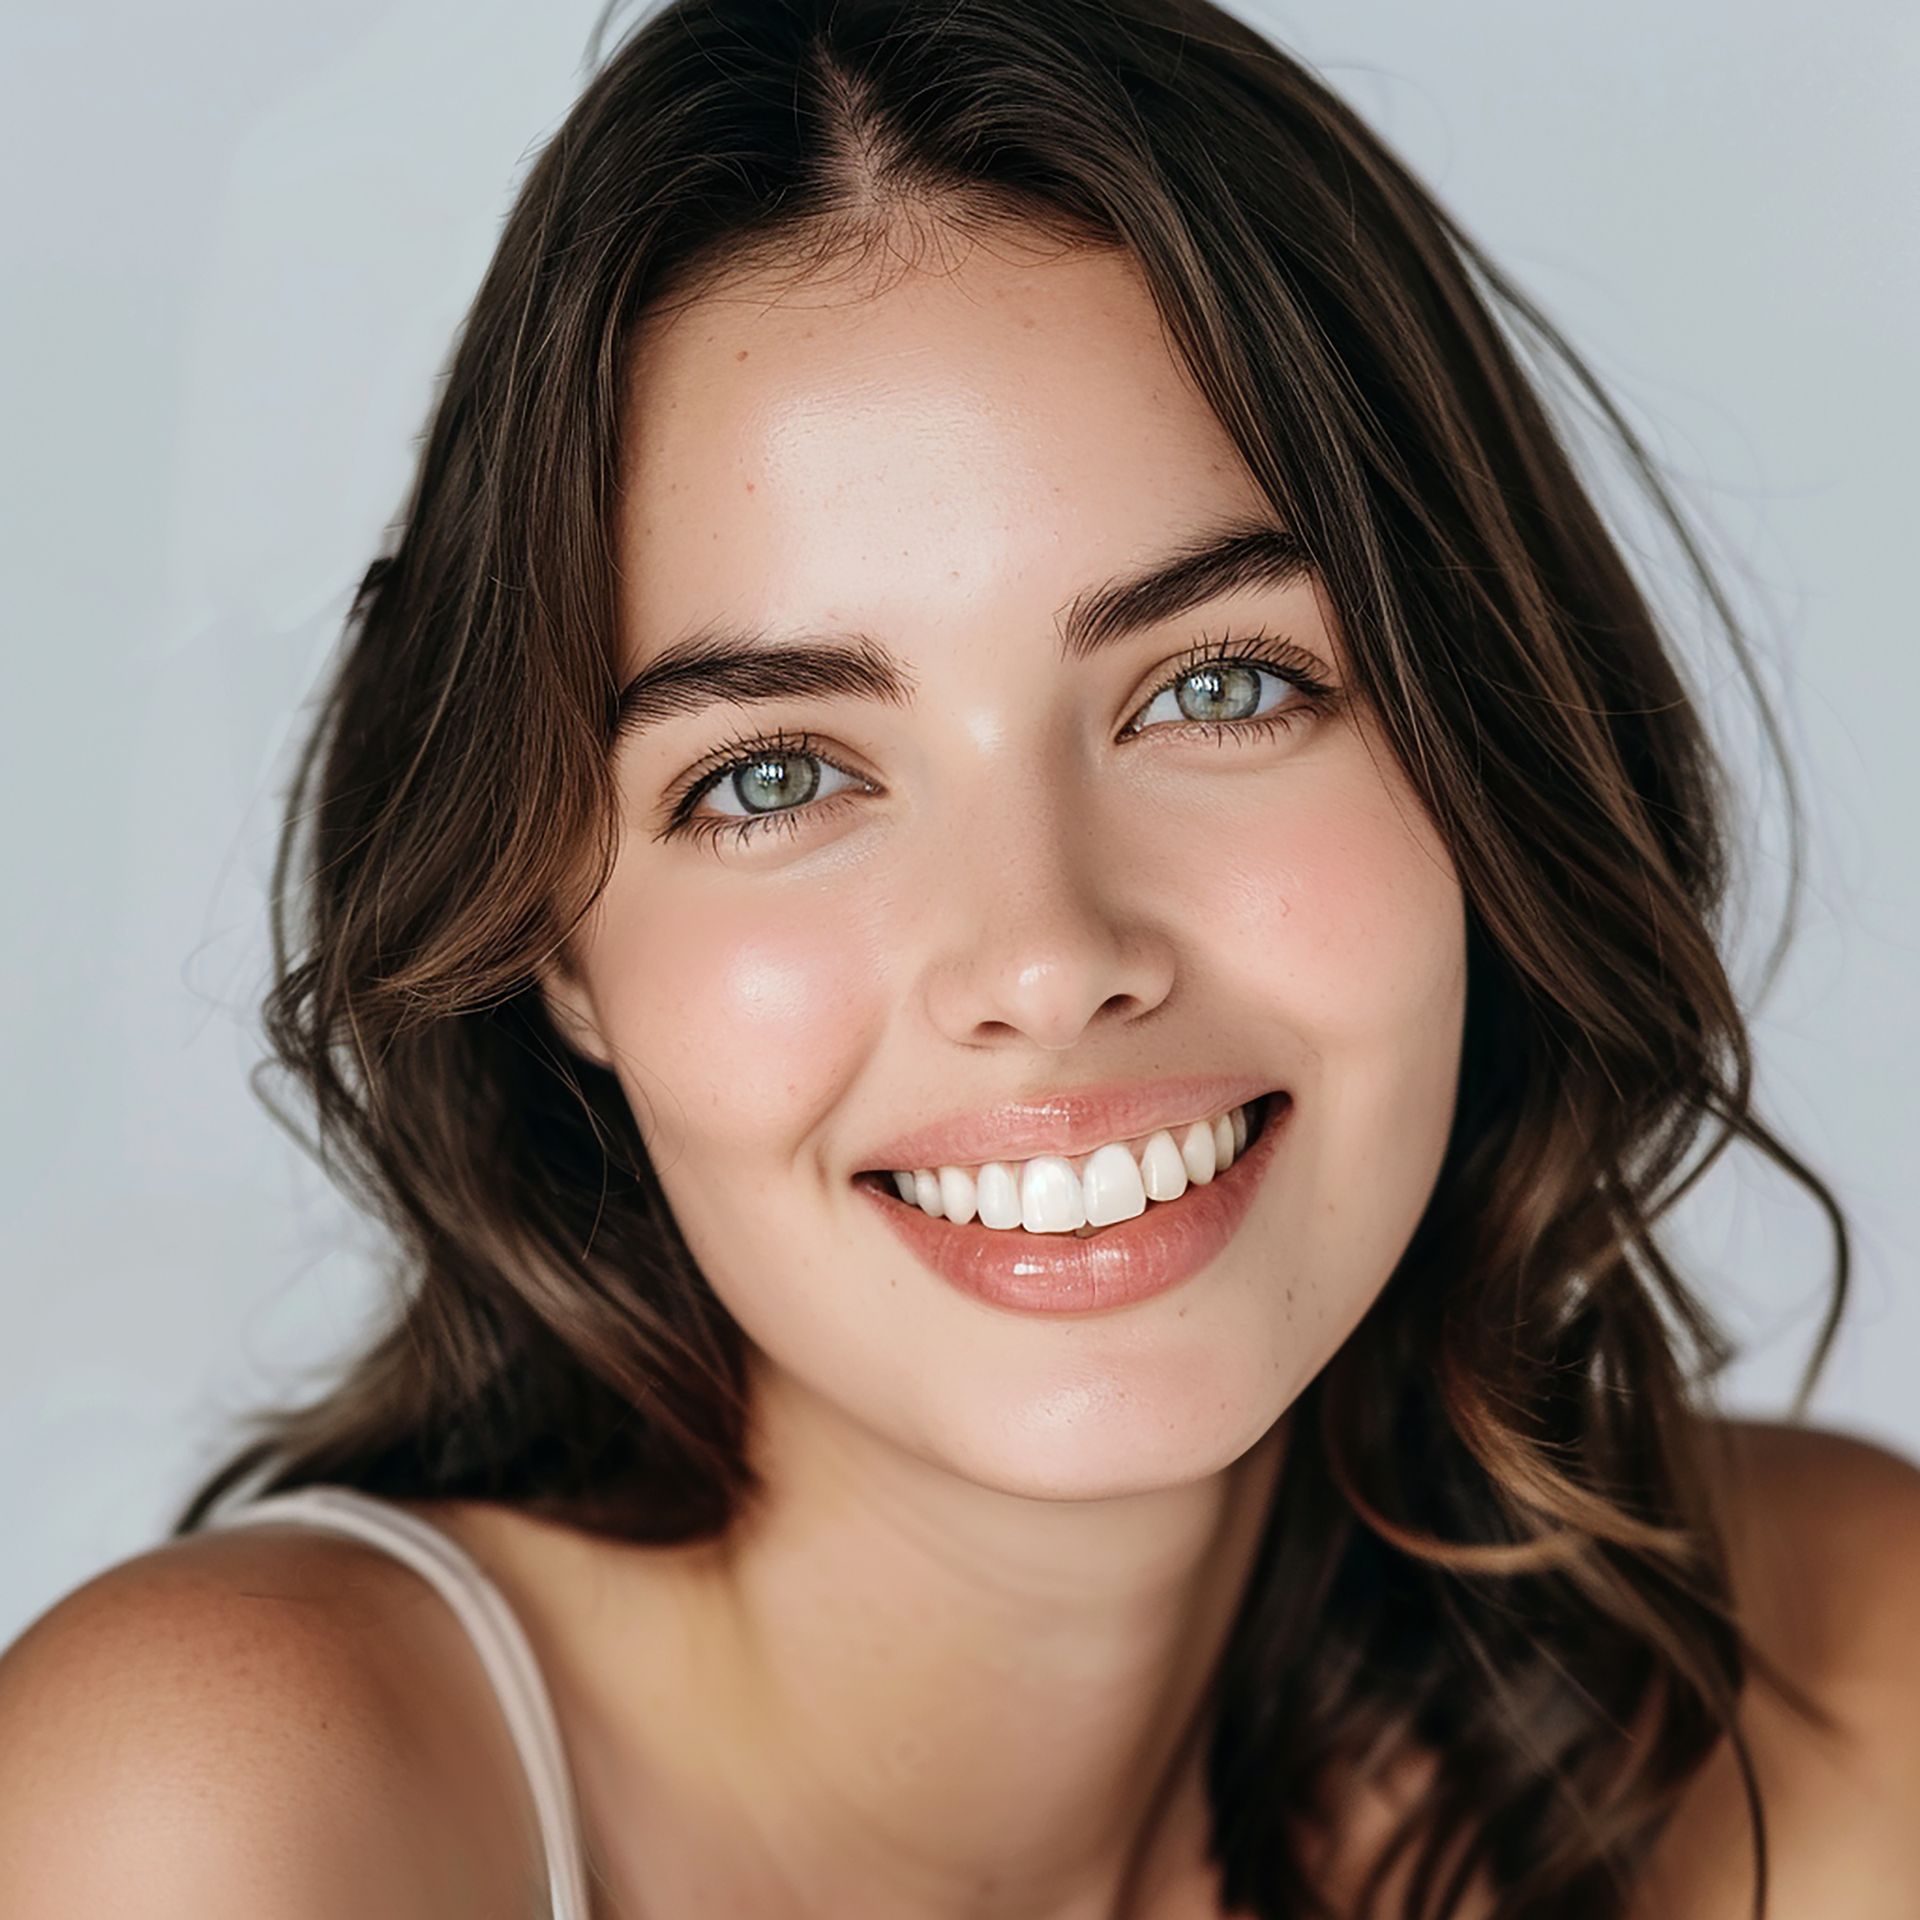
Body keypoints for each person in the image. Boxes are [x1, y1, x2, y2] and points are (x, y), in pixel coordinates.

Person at [3, 0, 1916, 1913]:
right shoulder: (223, 1818)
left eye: (1220, 685)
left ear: (1490, 741)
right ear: (551, 946)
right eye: (771, 776)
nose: (1042, 955)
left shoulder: (1833, 1686)